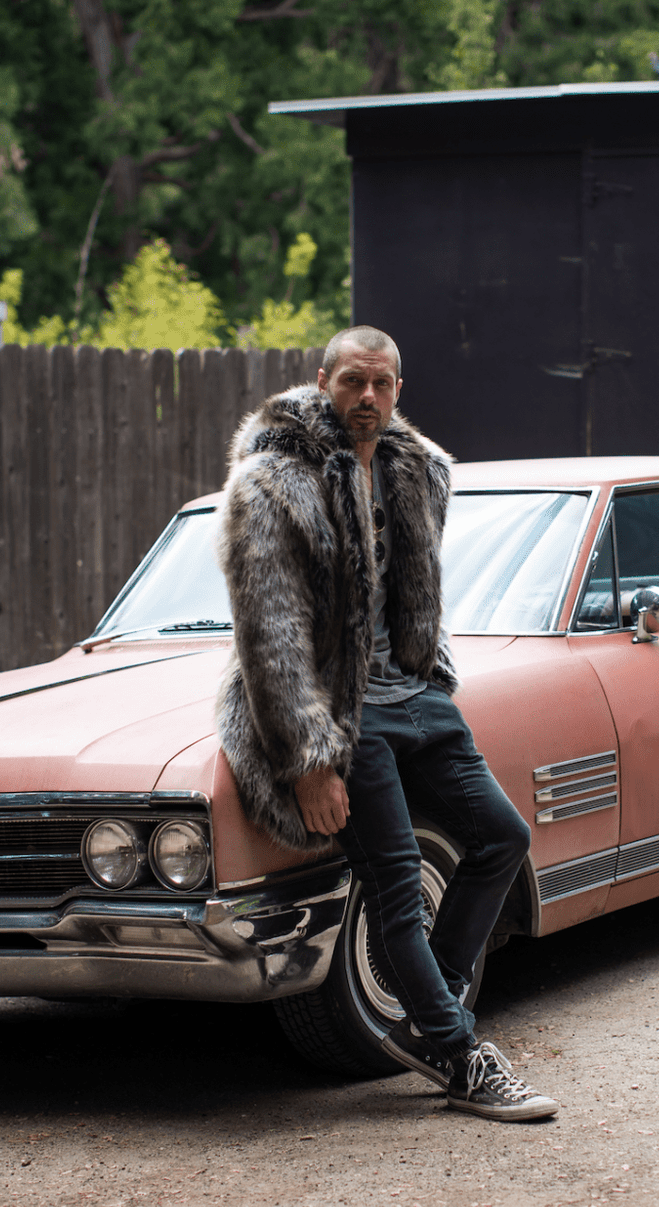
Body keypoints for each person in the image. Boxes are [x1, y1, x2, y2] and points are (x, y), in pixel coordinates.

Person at [215, 325, 560, 1122]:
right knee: (397, 886)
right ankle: (459, 1053)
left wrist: (430, 674)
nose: (366, 399)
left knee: (504, 836)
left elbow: (417, 593)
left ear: (399, 388)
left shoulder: (419, 469)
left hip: (417, 692)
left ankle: (425, 1006)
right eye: (352, 384)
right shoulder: (273, 482)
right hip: (344, 713)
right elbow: (269, 631)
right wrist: (309, 759)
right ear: (323, 381)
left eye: (381, 385)